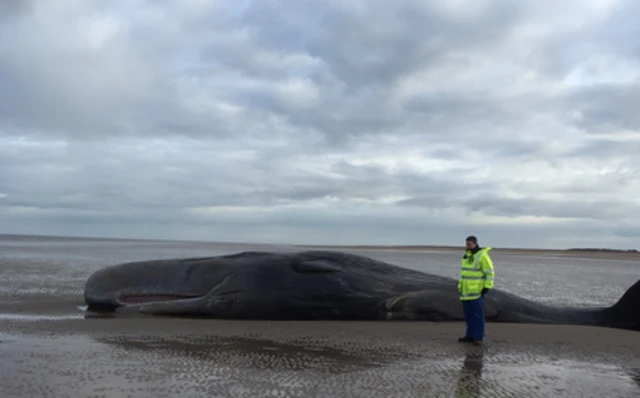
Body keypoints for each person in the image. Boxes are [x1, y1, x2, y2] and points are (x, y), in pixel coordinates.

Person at [457, 235, 495, 345]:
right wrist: (460, 287)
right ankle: (469, 335)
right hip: (466, 292)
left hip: (477, 291)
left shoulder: (482, 256)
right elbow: (464, 274)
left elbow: (490, 272)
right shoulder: (466, 256)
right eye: (466, 244)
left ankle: (478, 337)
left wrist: (487, 286)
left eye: (469, 244)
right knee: (468, 315)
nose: (467, 246)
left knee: (477, 315)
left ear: (475, 243)